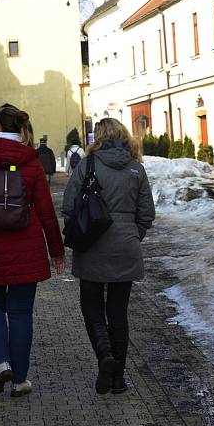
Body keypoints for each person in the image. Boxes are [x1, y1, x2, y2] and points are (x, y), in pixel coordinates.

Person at [0, 105, 66, 398]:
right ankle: (19, 379)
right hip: (26, 246)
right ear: (21, 130)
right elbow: (46, 212)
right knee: (20, 313)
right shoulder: (31, 162)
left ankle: (0, 362)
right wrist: (57, 250)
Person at [63, 118, 155, 395]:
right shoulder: (136, 169)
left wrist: (84, 228)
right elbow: (147, 214)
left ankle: (104, 355)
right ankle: (119, 379)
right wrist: (130, 234)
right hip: (125, 248)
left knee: (91, 305)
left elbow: (68, 206)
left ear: (98, 137)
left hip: (91, 245)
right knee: (118, 312)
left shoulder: (87, 166)